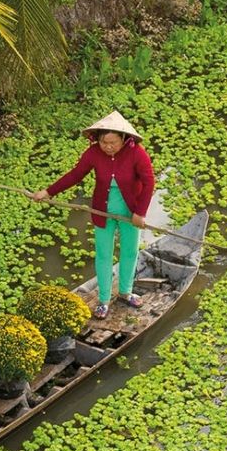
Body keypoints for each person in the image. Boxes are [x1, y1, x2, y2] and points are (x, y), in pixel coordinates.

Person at [31, 111, 155, 318]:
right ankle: (104, 299)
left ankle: (125, 292)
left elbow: (149, 181)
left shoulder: (136, 153)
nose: (108, 147)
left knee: (129, 252)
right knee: (104, 254)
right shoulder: (94, 153)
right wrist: (48, 191)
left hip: (130, 213)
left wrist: (140, 213)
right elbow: (76, 174)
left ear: (124, 138)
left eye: (113, 142)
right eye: (103, 142)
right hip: (102, 212)